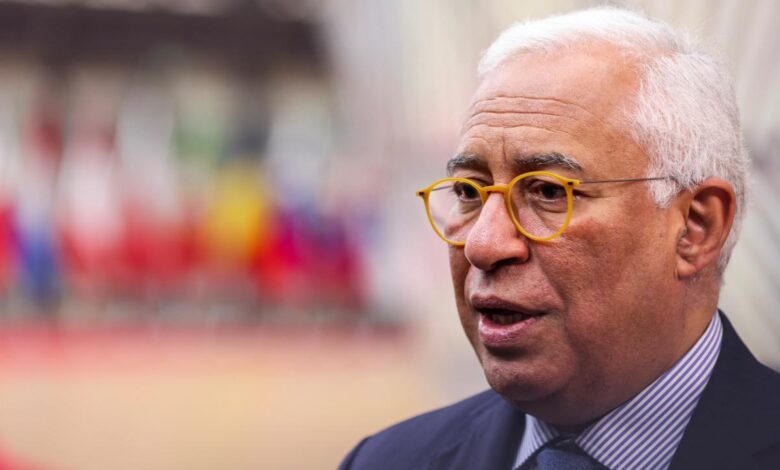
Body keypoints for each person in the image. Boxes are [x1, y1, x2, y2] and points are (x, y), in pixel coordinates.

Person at [340, 6, 780, 470]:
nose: (483, 245)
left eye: (548, 192)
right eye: (469, 192)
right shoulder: (386, 461)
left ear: (696, 227)